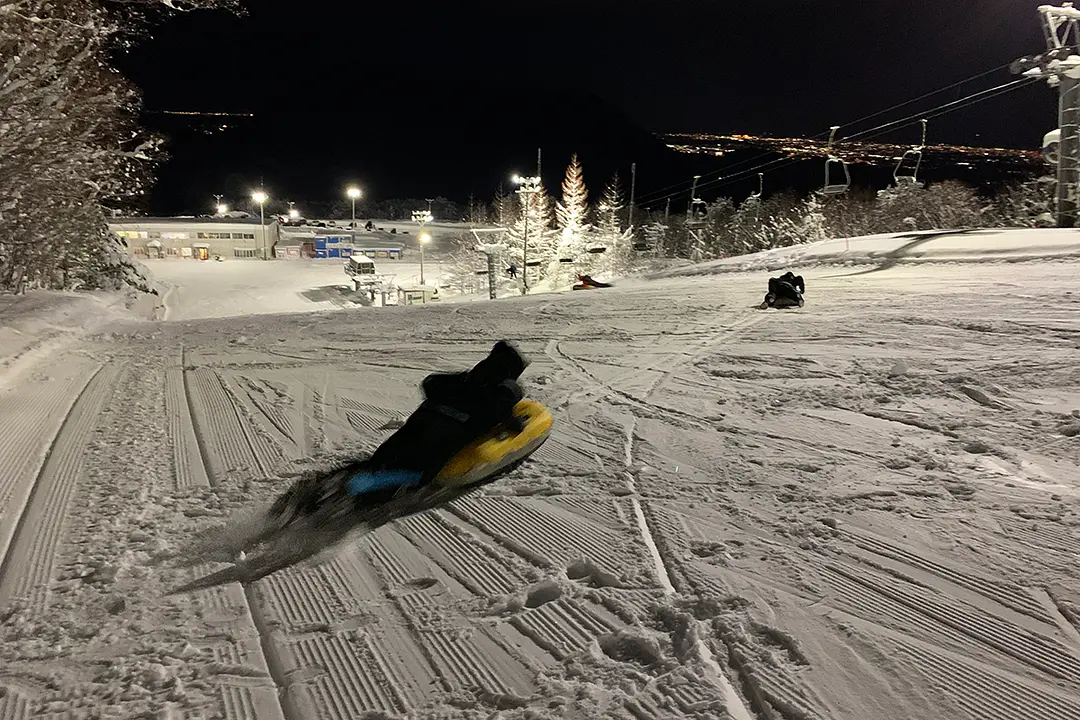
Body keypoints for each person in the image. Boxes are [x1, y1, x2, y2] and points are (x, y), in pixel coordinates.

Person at [270, 341, 528, 520]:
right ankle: (336, 504)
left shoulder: (460, 380)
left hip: (409, 435)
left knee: (378, 464)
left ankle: (321, 489)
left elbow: (430, 383)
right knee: (404, 478)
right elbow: (508, 417)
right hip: (433, 451)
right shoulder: (503, 393)